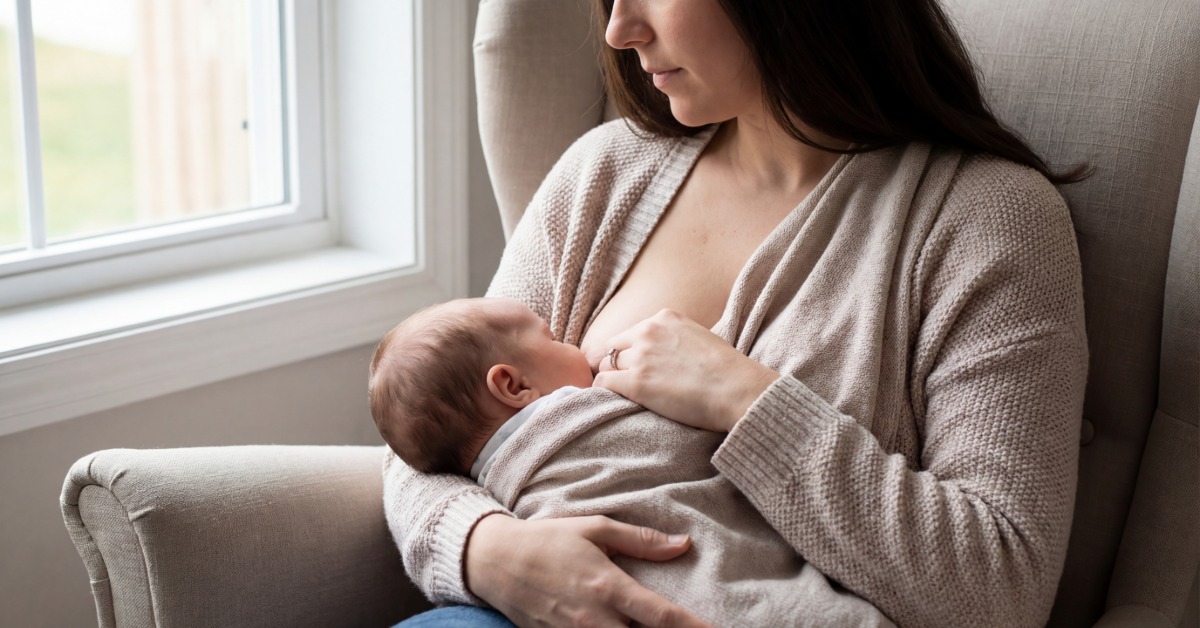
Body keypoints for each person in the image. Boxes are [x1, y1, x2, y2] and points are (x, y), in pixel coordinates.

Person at [383, 0, 1090, 626]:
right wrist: (489, 550)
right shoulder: (603, 174)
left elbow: (1002, 590)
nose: (622, 29)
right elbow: (430, 432)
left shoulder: (989, 220)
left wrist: (746, 400)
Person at [371, 297, 896, 626]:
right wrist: (484, 545)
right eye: (553, 337)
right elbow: (410, 464)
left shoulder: (493, 462)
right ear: (513, 384)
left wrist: (746, 399)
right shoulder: (591, 416)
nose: (573, 340)